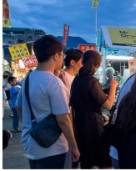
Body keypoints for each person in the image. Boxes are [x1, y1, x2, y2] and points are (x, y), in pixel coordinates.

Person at [21, 35, 80, 168]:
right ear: (55, 56)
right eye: (62, 55)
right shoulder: (55, 83)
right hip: (52, 147)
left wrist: (31, 125)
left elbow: (19, 107)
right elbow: (63, 119)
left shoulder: (28, 79)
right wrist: (74, 146)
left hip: (31, 142)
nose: (63, 59)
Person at [70, 50, 116, 169]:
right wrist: (113, 87)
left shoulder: (77, 80)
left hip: (79, 125)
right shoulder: (91, 81)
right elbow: (109, 105)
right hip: (94, 126)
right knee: (104, 161)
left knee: (86, 161)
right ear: (98, 65)